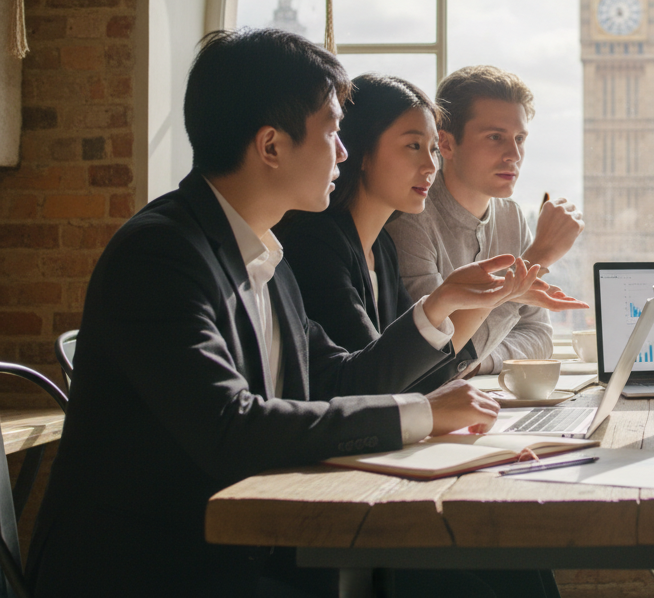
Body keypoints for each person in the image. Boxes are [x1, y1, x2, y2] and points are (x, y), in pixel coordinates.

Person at [27, 29, 538, 597]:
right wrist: (421, 413)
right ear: (271, 146)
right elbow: (231, 427)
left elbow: (340, 377)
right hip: (161, 568)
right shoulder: (161, 254)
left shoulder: (265, 254)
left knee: (512, 567)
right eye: (332, 131)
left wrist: (440, 310)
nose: (343, 151)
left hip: (257, 542)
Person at [278, 73, 588, 394]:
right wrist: (528, 268)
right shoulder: (329, 242)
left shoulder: (380, 247)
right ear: (360, 150)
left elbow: (418, 366)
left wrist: (471, 348)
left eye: (520, 139)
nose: (430, 165)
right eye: (414, 146)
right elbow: (377, 378)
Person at [387, 65, 585, 374]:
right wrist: (539, 257)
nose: (514, 155)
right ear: (446, 144)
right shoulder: (411, 220)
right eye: (495, 137)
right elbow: (436, 356)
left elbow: (539, 336)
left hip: (481, 394)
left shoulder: (512, 218)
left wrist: (477, 362)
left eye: (520, 138)